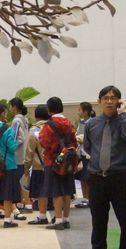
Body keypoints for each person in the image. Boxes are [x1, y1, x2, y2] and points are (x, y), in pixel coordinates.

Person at [79, 86, 126, 249]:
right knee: (98, 220)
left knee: (125, 219)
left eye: (113, 98)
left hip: (120, 177)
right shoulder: (91, 124)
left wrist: (123, 115)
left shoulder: (125, 121)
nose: (109, 101)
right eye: (105, 98)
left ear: (119, 101)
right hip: (97, 178)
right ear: (99, 101)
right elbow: (88, 147)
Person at [38, 97, 77, 230]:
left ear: (49, 110)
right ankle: (66, 219)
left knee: (56, 191)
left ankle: (58, 220)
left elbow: (44, 141)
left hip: (53, 161)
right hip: (68, 160)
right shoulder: (69, 123)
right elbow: (74, 142)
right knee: (67, 191)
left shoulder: (49, 125)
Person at [26, 105, 51, 224]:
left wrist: (26, 167)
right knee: (56, 191)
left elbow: (30, 150)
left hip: (39, 166)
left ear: (36, 116)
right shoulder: (53, 127)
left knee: (41, 192)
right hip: (55, 165)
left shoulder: (34, 130)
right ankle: (58, 217)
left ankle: (42, 216)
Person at [8, 97, 31, 218]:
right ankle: (23, 203)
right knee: (21, 180)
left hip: (17, 156)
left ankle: (20, 204)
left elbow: (18, 137)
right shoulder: (24, 119)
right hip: (23, 155)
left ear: (15, 107)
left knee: (16, 181)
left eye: (10, 106)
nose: (9, 108)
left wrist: (11, 147)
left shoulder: (16, 120)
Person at [75, 102, 95, 208]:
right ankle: (84, 198)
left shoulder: (92, 123)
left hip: (89, 155)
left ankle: (90, 199)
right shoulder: (82, 122)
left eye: (80, 110)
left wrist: (80, 139)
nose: (78, 112)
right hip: (81, 153)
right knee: (82, 178)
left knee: (88, 178)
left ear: (86, 111)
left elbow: (89, 138)